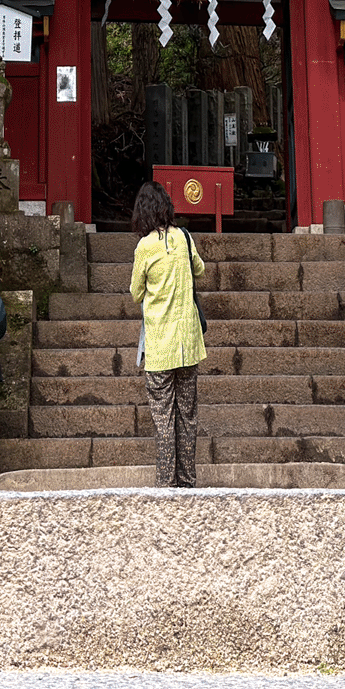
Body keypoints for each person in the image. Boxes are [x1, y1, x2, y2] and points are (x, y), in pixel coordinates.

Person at [128, 180, 206, 487]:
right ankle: (187, 479)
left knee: (163, 418)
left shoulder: (145, 246)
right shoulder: (185, 238)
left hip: (160, 345)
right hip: (188, 343)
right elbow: (199, 269)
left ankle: (166, 482)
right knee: (187, 414)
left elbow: (136, 292)